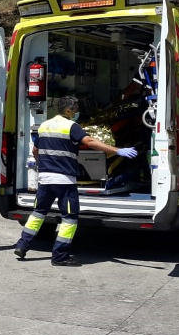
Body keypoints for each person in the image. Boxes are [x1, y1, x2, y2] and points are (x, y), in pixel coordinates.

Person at [15, 96, 138, 266]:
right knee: (70, 219)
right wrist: (117, 150)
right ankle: (59, 257)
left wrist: (43, 164)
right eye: (75, 108)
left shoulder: (44, 125)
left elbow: (36, 150)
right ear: (68, 110)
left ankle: (22, 245)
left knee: (38, 213)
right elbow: (90, 141)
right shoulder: (71, 127)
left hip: (45, 179)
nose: (76, 111)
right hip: (64, 181)